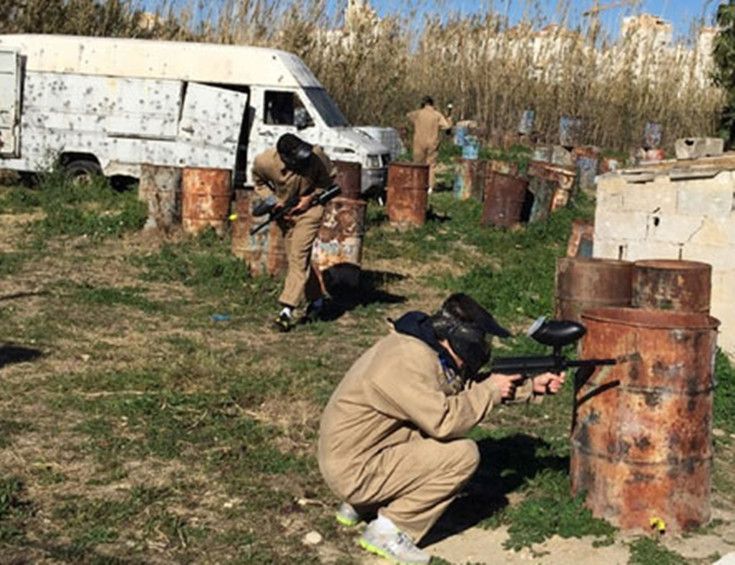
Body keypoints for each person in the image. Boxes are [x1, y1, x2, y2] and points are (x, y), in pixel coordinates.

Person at [318, 293, 565, 564]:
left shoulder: (424, 348)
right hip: (353, 469)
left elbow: (454, 389)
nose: (484, 348)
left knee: (427, 433)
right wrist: (491, 390)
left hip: (362, 453)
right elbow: (444, 421)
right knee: (462, 456)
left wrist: (528, 387)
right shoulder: (408, 361)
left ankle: (363, 503)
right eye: (481, 340)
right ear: (463, 339)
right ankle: (388, 530)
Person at [252, 133, 336, 332]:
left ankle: (286, 311)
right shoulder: (265, 162)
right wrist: (274, 202)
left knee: (298, 256)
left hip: (311, 211)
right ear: (284, 158)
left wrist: (310, 198)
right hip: (286, 215)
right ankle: (316, 301)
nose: (304, 161)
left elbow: (328, 181)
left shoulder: (316, 155)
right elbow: (258, 182)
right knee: (298, 261)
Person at [407, 96, 453, 191]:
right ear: (432, 104)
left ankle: (417, 184)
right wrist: (449, 119)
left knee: (418, 164)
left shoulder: (418, 114)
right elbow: (447, 126)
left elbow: (408, 115)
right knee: (431, 165)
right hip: (432, 143)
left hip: (419, 142)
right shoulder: (437, 115)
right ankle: (430, 187)